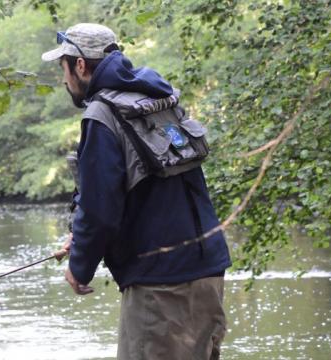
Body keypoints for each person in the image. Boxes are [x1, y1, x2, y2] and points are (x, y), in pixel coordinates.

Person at [42, 23, 232, 359]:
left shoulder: (102, 114)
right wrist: (79, 237)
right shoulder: (160, 98)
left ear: (80, 65)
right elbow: (145, 191)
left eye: (63, 67)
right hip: (208, 273)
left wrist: (80, 267)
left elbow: (100, 208)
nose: (63, 78)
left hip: (160, 286)